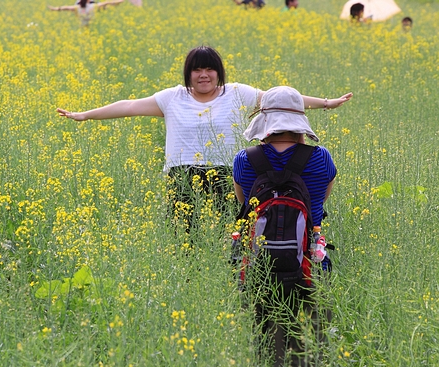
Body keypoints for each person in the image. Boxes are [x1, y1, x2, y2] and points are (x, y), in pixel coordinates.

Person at [57, 46, 352, 235]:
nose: (203, 75)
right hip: (182, 178)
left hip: (227, 177)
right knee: (184, 238)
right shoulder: (172, 98)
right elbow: (129, 106)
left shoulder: (237, 93)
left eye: (209, 68)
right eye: (197, 69)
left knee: (230, 236)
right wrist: (85, 115)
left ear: (218, 72)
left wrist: (326, 102)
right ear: (188, 73)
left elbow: (283, 101)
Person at [233, 86, 339, 367]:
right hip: (308, 263)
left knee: (265, 338)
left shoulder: (244, 160)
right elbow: (319, 207)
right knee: (302, 342)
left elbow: (243, 208)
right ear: (299, 121)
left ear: (264, 120)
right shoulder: (321, 159)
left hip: (259, 267)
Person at [48, 0, 124, 27]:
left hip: (82, 27)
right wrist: (118, 2)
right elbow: (106, 3)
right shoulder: (92, 6)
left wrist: (54, 9)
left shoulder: (77, 8)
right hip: (92, 27)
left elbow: (66, 8)